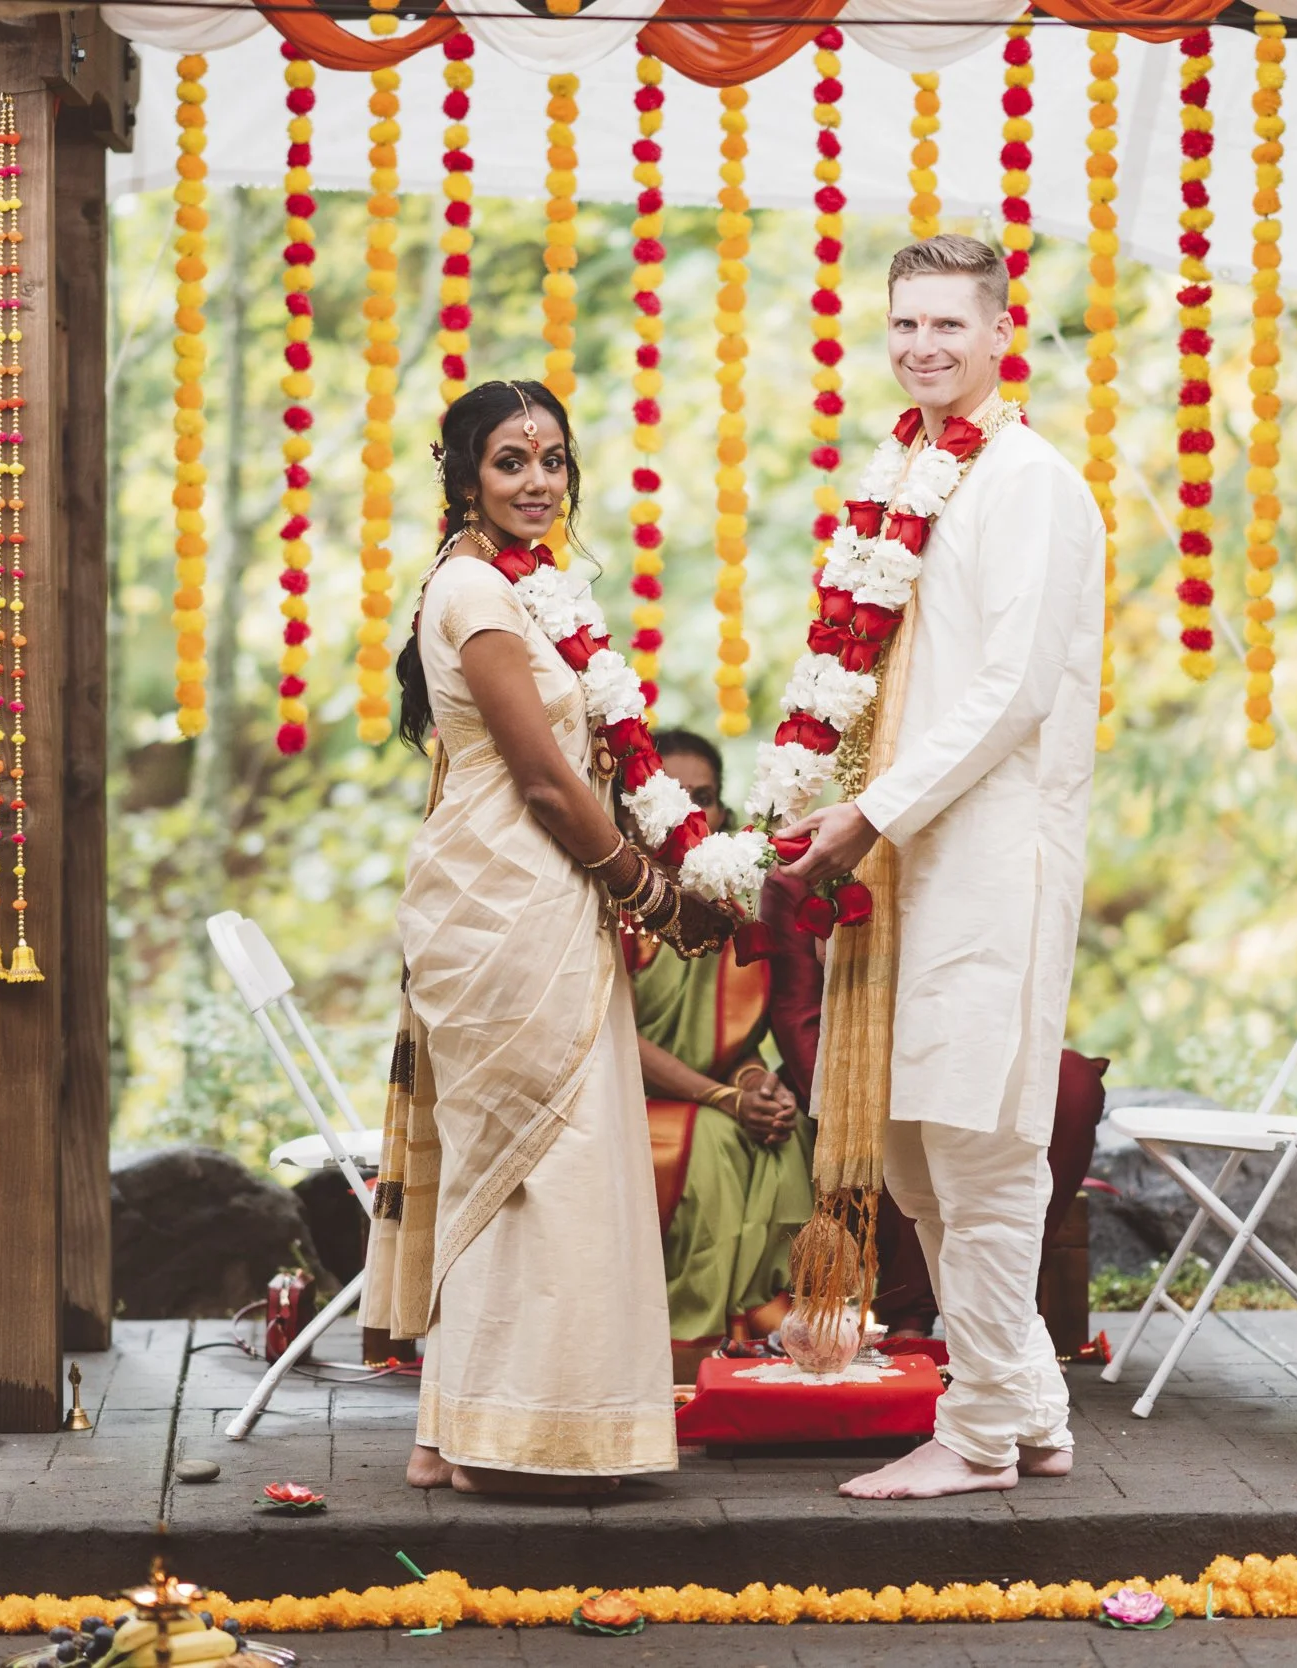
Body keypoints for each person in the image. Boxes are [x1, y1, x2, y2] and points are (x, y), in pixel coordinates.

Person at [780, 234, 1106, 1498]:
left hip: (985, 854)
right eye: (904, 325)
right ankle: (1025, 1402)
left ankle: (977, 1435)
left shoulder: (1026, 480)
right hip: (906, 850)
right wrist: (833, 800)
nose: (922, 347)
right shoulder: (912, 473)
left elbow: (1015, 690)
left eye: (947, 327)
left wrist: (873, 812)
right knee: (914, 1149)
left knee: (976, 1141)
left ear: (996, 335)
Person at [362, 379, 731, 1495]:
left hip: (541, 895)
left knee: (539, 1162)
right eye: (510, 461)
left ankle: (458, 1431)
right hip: (502, 901)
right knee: (534, 1160)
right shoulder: (476, 589)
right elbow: (541, 780)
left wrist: (660, 868)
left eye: (553, 460)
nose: (536, 482)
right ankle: (496, 1432)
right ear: (464, 472)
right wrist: (657, 895)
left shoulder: (532, 589)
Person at [629, 731, 815, 1379]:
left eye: (704, 798)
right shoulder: (616, 899)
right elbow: (612, 1036)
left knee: (782, 1132)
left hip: (711, 1097)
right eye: (674, 798)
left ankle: (763, 1328)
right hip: (620, 1100)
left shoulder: (737, 904)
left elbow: (735, 1045)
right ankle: (689, 1345)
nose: (693, 815)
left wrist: (758, 1083)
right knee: (711, 1138)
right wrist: (726, 1099)